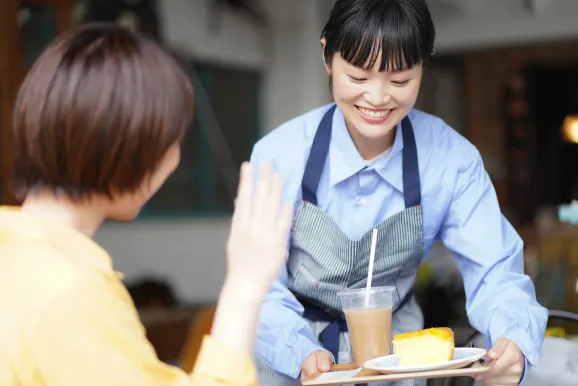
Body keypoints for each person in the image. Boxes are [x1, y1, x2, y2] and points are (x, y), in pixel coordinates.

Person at [251, 1, 548, 385]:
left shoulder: (451, 160)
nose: (377, 98)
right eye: (358, 77)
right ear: (327, 55)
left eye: (399, 81)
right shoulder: (278, 156)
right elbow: (258, 286)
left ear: (426, 62)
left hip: (399, 361)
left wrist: (514, 341)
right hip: (291, 358)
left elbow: (495, 273)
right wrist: (301, 352)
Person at [0, 23, 293, 386]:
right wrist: (245, 285)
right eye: (172, 138)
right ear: (131, 146)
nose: (173, 159)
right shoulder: (70, 292)